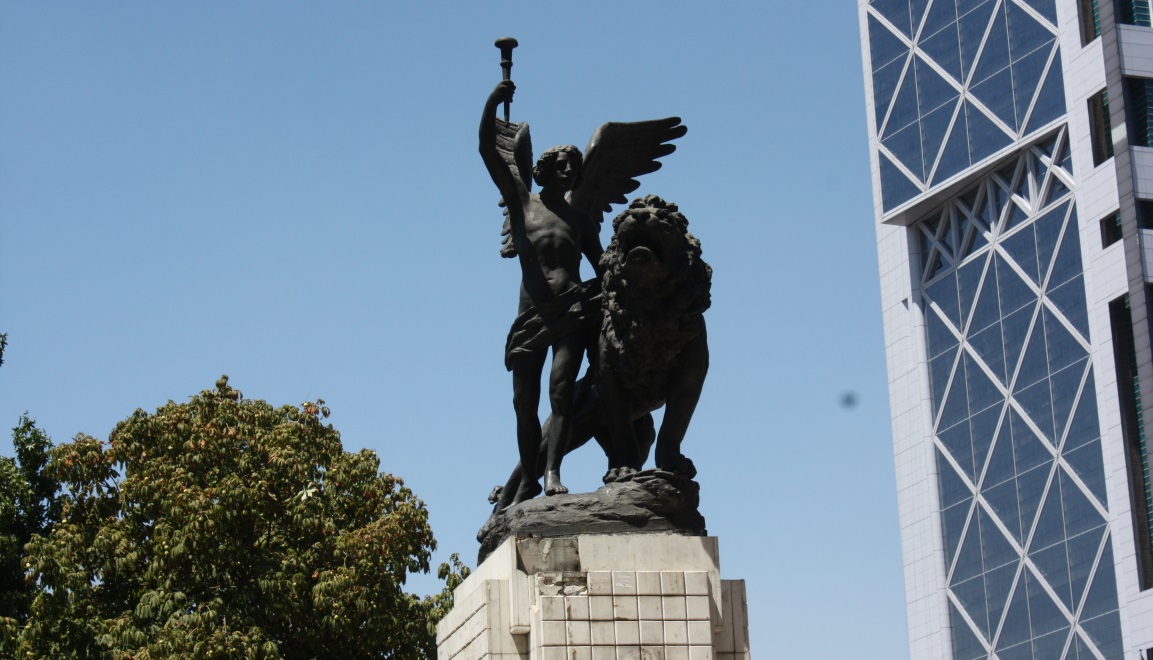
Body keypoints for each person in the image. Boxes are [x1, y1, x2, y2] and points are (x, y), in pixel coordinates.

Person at [479, 79, 604, 505]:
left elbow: (601, 265)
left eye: (575, 166)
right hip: (531, 317)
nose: (570, 171)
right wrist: (492, 104)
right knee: (523, 403)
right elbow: (487, 152)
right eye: (563, 165)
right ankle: (529, 475)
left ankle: (551, 472)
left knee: (561, 390)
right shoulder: (522, 204)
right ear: (546, 169)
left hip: (572, 312)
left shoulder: (581, 222)